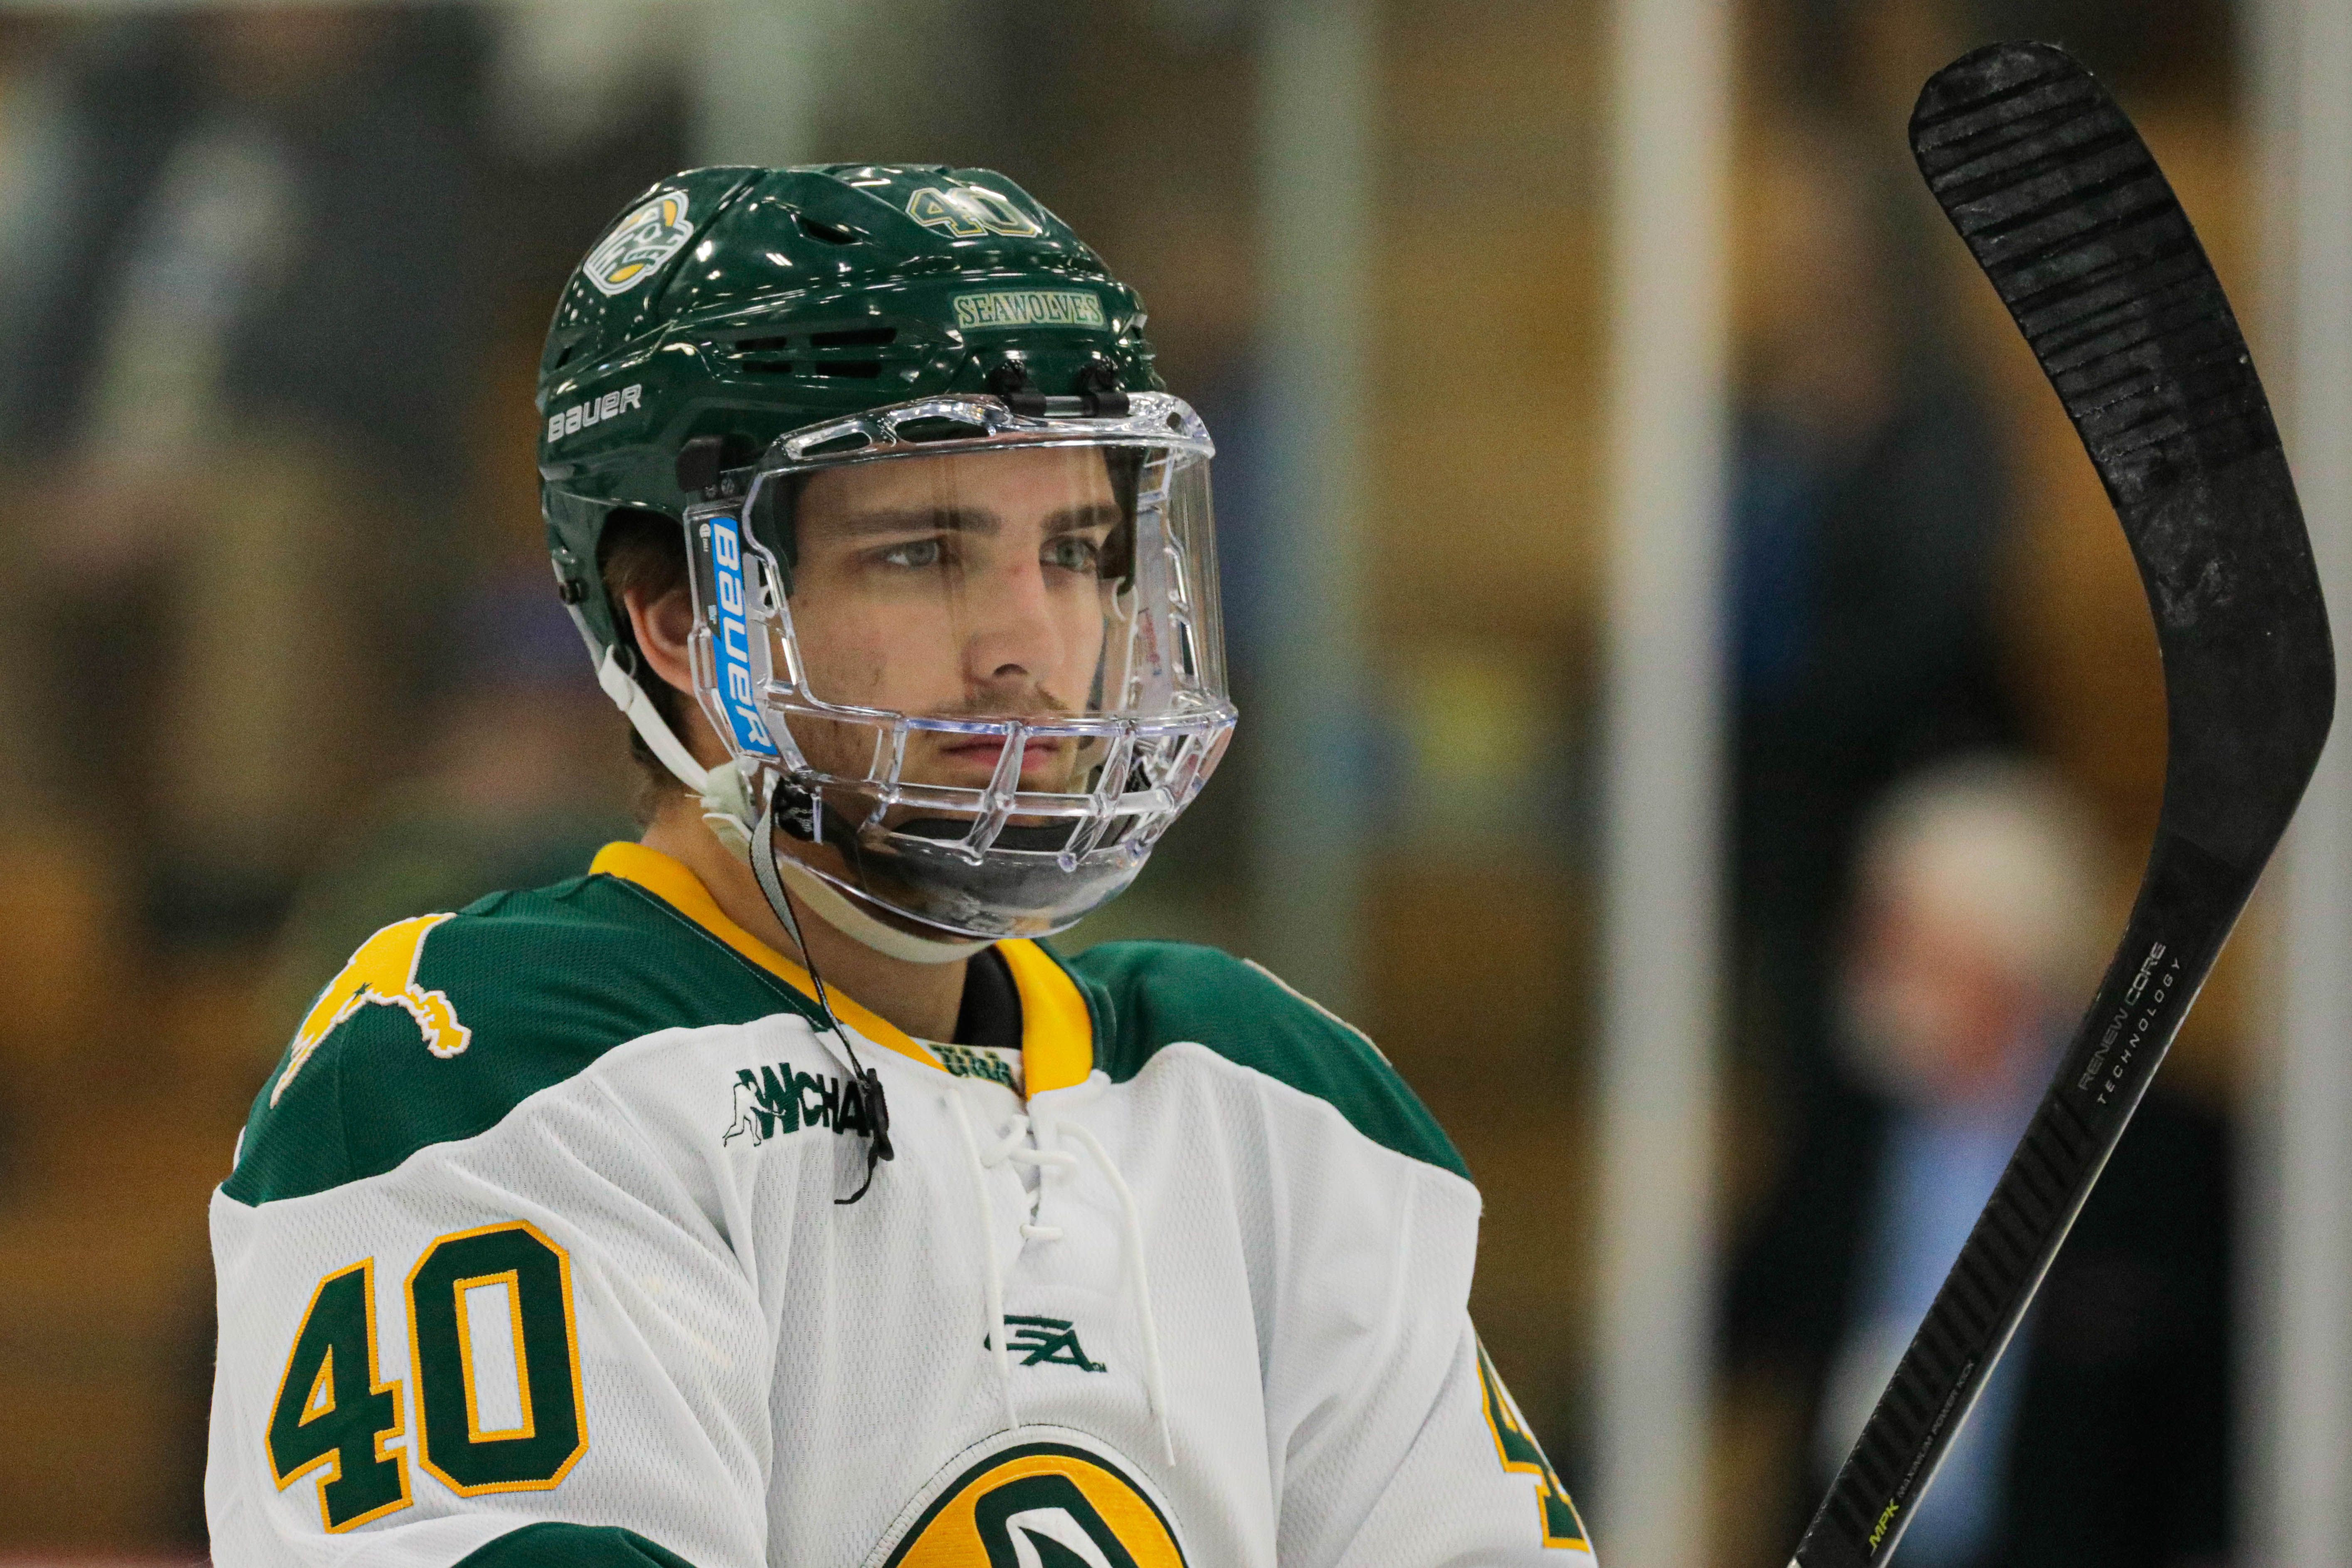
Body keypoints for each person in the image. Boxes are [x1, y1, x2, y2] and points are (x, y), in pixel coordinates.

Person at [205, 166, 1592, 1568]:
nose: (1029, 643)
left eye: (1079, 550)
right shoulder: (486, 1071)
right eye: (924, 554)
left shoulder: (1275, 1106)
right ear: (688, 621)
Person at [1724, 756, 2233, 1568]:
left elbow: (2218, 1414)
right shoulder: (1847, 1128)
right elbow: (1728, 1317)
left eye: (1907, 939)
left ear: (2006, 956)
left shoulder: (2164, 1152)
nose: (1873, 968)